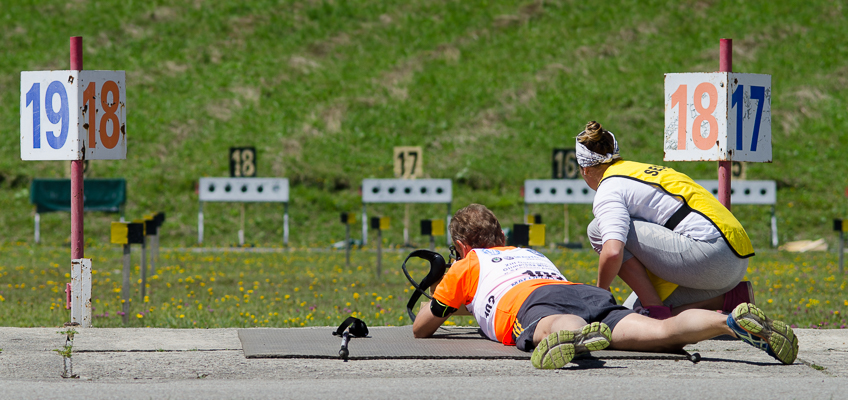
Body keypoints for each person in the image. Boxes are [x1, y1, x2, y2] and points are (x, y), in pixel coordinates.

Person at [412, 204, 798, 369]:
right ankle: (729, 322)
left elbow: (422, 327)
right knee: (662, 332)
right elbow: (488, 297)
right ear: (499, 234)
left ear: (462, 247)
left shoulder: (467, 264)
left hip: (535, 304)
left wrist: (442, 289)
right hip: (580, 292)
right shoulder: (529, 252)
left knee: (550, 325)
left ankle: (574, 337)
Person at [576, 121, 754, 319]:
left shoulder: (609, 188)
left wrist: (600, 294)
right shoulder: (637, 170)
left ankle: (654, 308)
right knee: (633, 317)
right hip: (736, 258)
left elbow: (612, 252)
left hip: (710, 254)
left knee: (597, 229)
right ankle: (729, 298)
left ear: (585, 169)